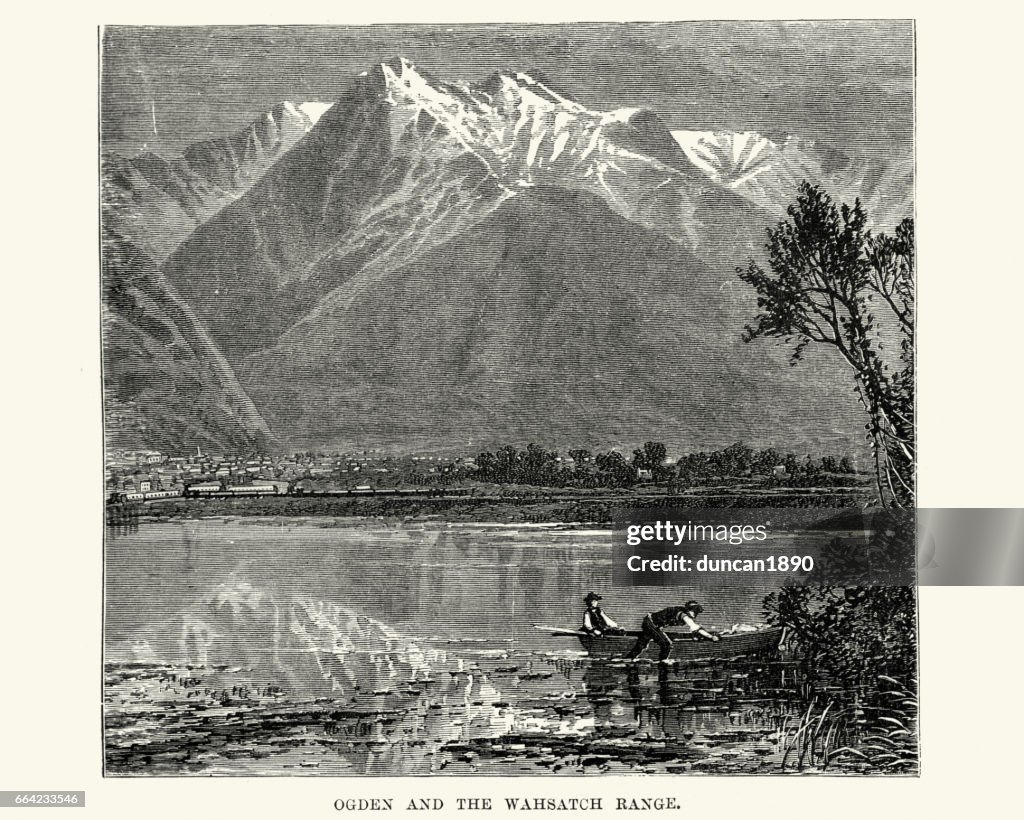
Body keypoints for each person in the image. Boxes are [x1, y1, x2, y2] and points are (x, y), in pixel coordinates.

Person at [625, 600, 719, 661]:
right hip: (651, 624)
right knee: (667, 645)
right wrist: (710, 637)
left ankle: (628, 659)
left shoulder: (682, 613)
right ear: (689, 610)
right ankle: (662, 664)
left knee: (642, 644)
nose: (696, 614)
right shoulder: (684, 615)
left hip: (649, 622)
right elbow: (695, 627)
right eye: (695, 611)